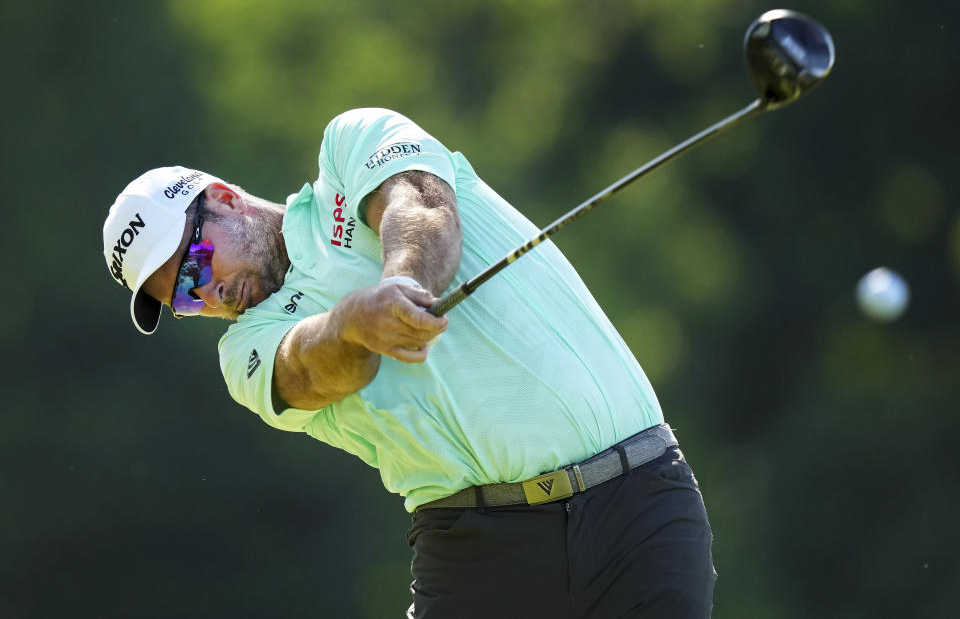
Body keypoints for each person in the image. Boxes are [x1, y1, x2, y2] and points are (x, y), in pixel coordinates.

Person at [102, 107, 716, 618]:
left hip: (638, 504)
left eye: (195, 262)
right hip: (477, 554)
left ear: (225, 199)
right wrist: (352, 324)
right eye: (182, 297)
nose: (206, 293)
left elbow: (422, 204)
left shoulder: (351, 145)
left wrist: (402, 283)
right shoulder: (243, 351)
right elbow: (312, 370)